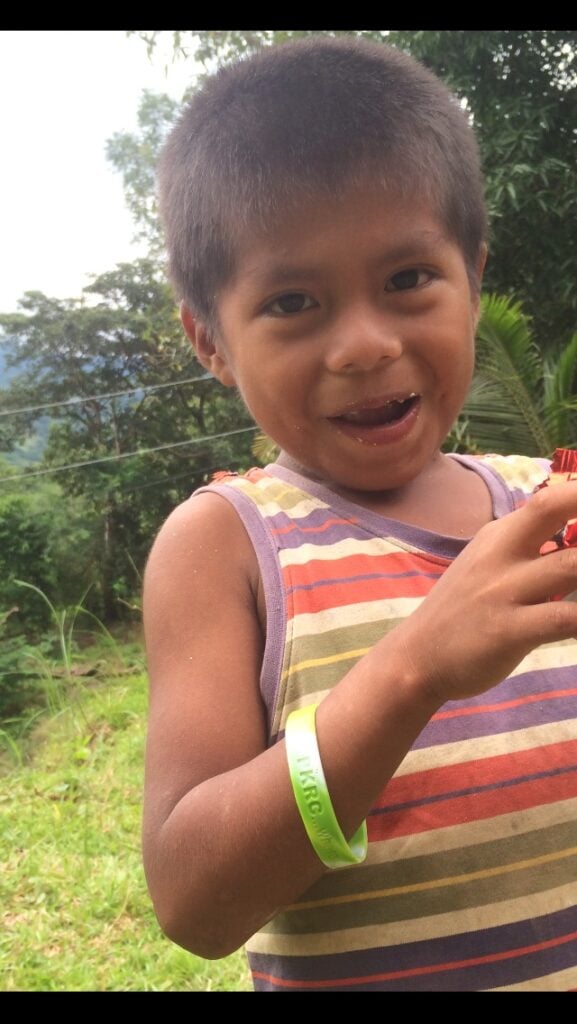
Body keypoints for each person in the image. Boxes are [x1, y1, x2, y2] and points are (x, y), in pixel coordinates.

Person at [142, 36, 577, 991]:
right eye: (294, 300)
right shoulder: (225, 547)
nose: (364, 344)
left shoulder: (549, 505)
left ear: (471, 277)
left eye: (407, 279)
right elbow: (192, 900)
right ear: (210, 341)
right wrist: (413, 669)